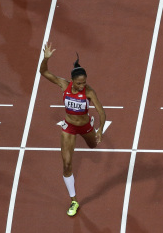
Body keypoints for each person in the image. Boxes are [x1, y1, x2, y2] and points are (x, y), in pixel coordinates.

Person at [39, 43, 106, 217]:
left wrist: (100, 129)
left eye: (84, 83)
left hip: (85, 126)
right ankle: (74, 200)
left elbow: (101, 111)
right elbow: (44, 73)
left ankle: (89, 125)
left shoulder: (89, 92)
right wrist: (46, 58)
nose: (82, 86)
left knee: (93, 147)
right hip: (69, 126)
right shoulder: (63, 85)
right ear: (72, 81)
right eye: (78, 83)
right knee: (67, 163)